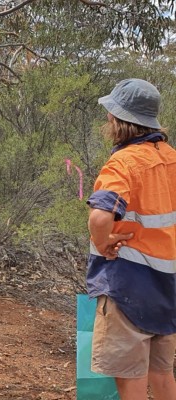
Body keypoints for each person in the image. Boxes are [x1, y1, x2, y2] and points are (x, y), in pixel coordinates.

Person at [87, 78, 176, 400]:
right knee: (162, 372)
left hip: (129, 285)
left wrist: (103, 242)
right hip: (168, 285)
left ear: (119, 119)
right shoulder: (171, 157)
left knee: (130, 376)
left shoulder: (124, 162)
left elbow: (100, 216)